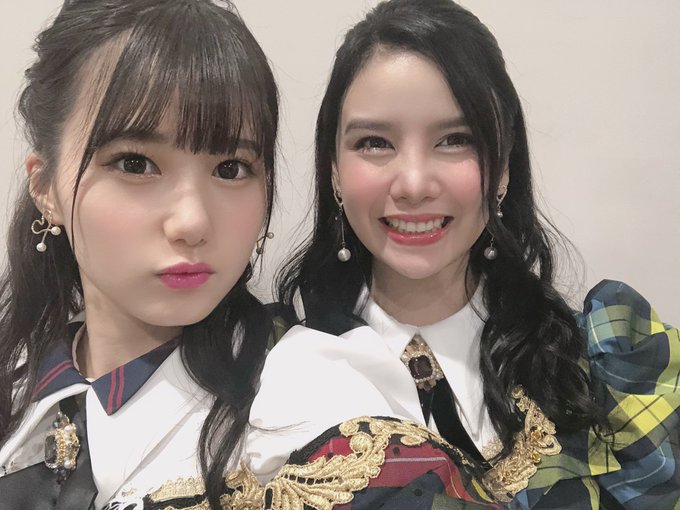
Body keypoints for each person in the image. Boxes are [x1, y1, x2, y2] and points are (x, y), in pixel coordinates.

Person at [247, 0, 680, 508]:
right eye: (374, 142)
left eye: (455, 140)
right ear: (334, 172)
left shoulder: (613, 362)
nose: (413, 184)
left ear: (503, 167)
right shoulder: (254, 365)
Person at [0, 0, 279, 508]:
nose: (192, 223)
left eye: (231, 168)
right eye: (135, 163)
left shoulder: (310, 400)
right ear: (45, 187)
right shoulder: (16, 384)